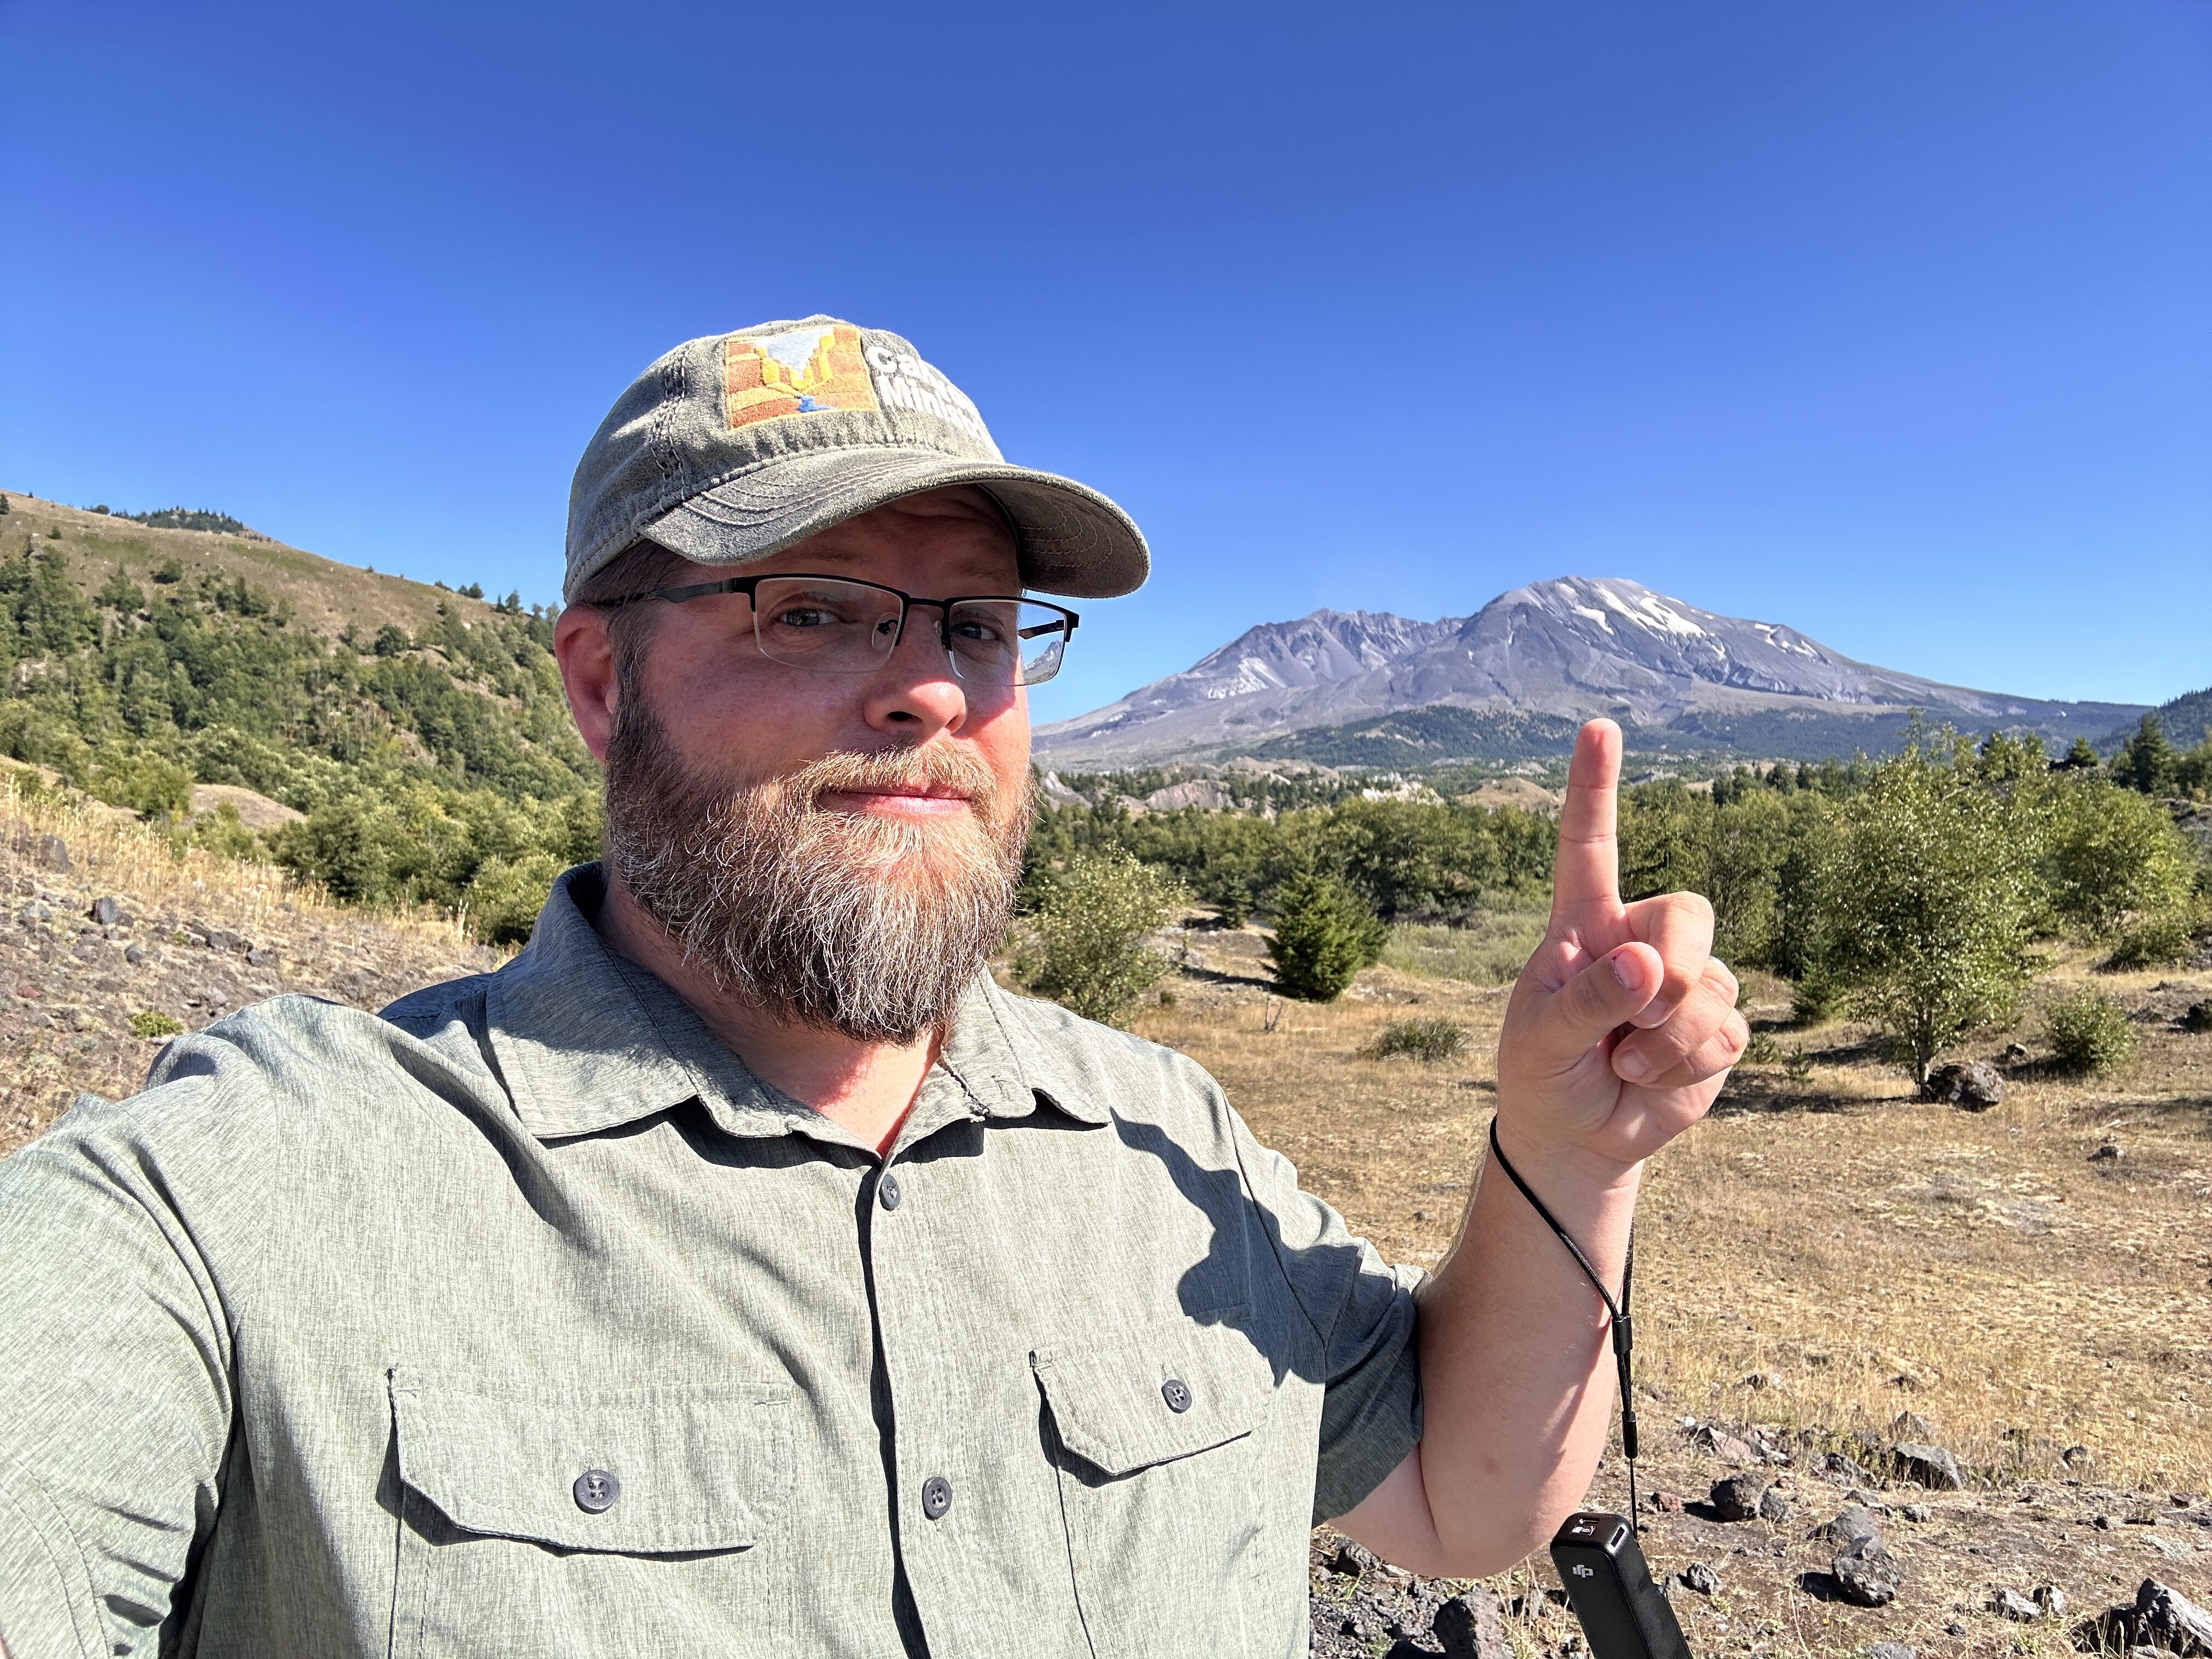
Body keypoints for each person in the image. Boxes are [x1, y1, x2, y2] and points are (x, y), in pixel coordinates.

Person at [0, 317, 1745, 1659]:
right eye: (817, 609)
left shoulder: (1164, 1135)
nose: (930, 690)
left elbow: (1461, 1497)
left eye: (975, 625)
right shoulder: (245, 1203)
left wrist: (1569, 1150)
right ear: (602, 685)